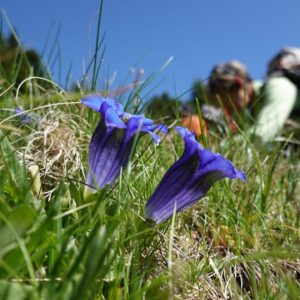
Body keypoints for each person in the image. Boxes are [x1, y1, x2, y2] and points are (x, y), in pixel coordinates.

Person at [205, 47, 300, 142]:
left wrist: (216, 150)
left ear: (238, 82)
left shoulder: (278, 86)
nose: (228, 110)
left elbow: (262, 134)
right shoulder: (254, 110)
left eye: (225, 102)